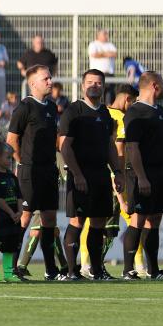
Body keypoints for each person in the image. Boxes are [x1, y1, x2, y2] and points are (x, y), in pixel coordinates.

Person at [59, 69, 123, 281]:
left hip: (101, 175)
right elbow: (64, 147)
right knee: (77, 221)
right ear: (82, 86)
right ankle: (71, 271)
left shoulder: (105, 113)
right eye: (90, 82)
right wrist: (77, 174)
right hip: (80, 174)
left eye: (98, 83)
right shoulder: (73, 111)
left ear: (103, 87)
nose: (94, 86)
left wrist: (118, 172)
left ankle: (96, 271)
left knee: (98, 223)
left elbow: (109, 146)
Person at [80, 84, 142, 278]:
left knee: (91, 222)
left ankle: (85, 264)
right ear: (127, 100)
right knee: (124, 222)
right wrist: (120, 176)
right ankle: (134, 265)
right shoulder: (121, 118)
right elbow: (119, 152)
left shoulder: (101, 112)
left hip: (93, 173)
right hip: (113, 180)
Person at [7, 65, 61, 280]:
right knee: (25, 217)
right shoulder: (24, 107)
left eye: (50, 77)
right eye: (45, 78)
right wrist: (22, 164)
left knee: (49, 219)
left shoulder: (52, 107)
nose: (50, 81)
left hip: (49, 171)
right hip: (29, 171)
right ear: (33, 84)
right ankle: (12, 268)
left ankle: (51, 270)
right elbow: (11, 140)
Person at [122, 71, 163, 280]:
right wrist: (141, 177)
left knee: (155, 220)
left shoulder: (160, 111)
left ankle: (154, 270)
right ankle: (128, 269)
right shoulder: (135, 112)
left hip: (160, 173)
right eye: (162, 83)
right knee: (138, 219)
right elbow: (132, 147)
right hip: (142, 173)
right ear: (155, 86)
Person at [0, 142, 24, 282]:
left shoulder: (12, 177)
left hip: (14, 217)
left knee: (10, 246)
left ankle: (8, 274)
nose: (10, 160)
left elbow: (19, 196)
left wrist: (20, 211)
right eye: (7, 157)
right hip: (1, 218)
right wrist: (10, 212)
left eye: (11, 158)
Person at [88, 29, 117, 102]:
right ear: (98, 35)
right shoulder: (93, 44)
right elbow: (94, 54)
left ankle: (108, 110)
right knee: (98, 94)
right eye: (105, 34)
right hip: (97, 74)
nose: (107, 36)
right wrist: (107, 54)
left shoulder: (110, 45)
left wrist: (101, 53)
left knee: (109, 95)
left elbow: (114, 54)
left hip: (109, 74)